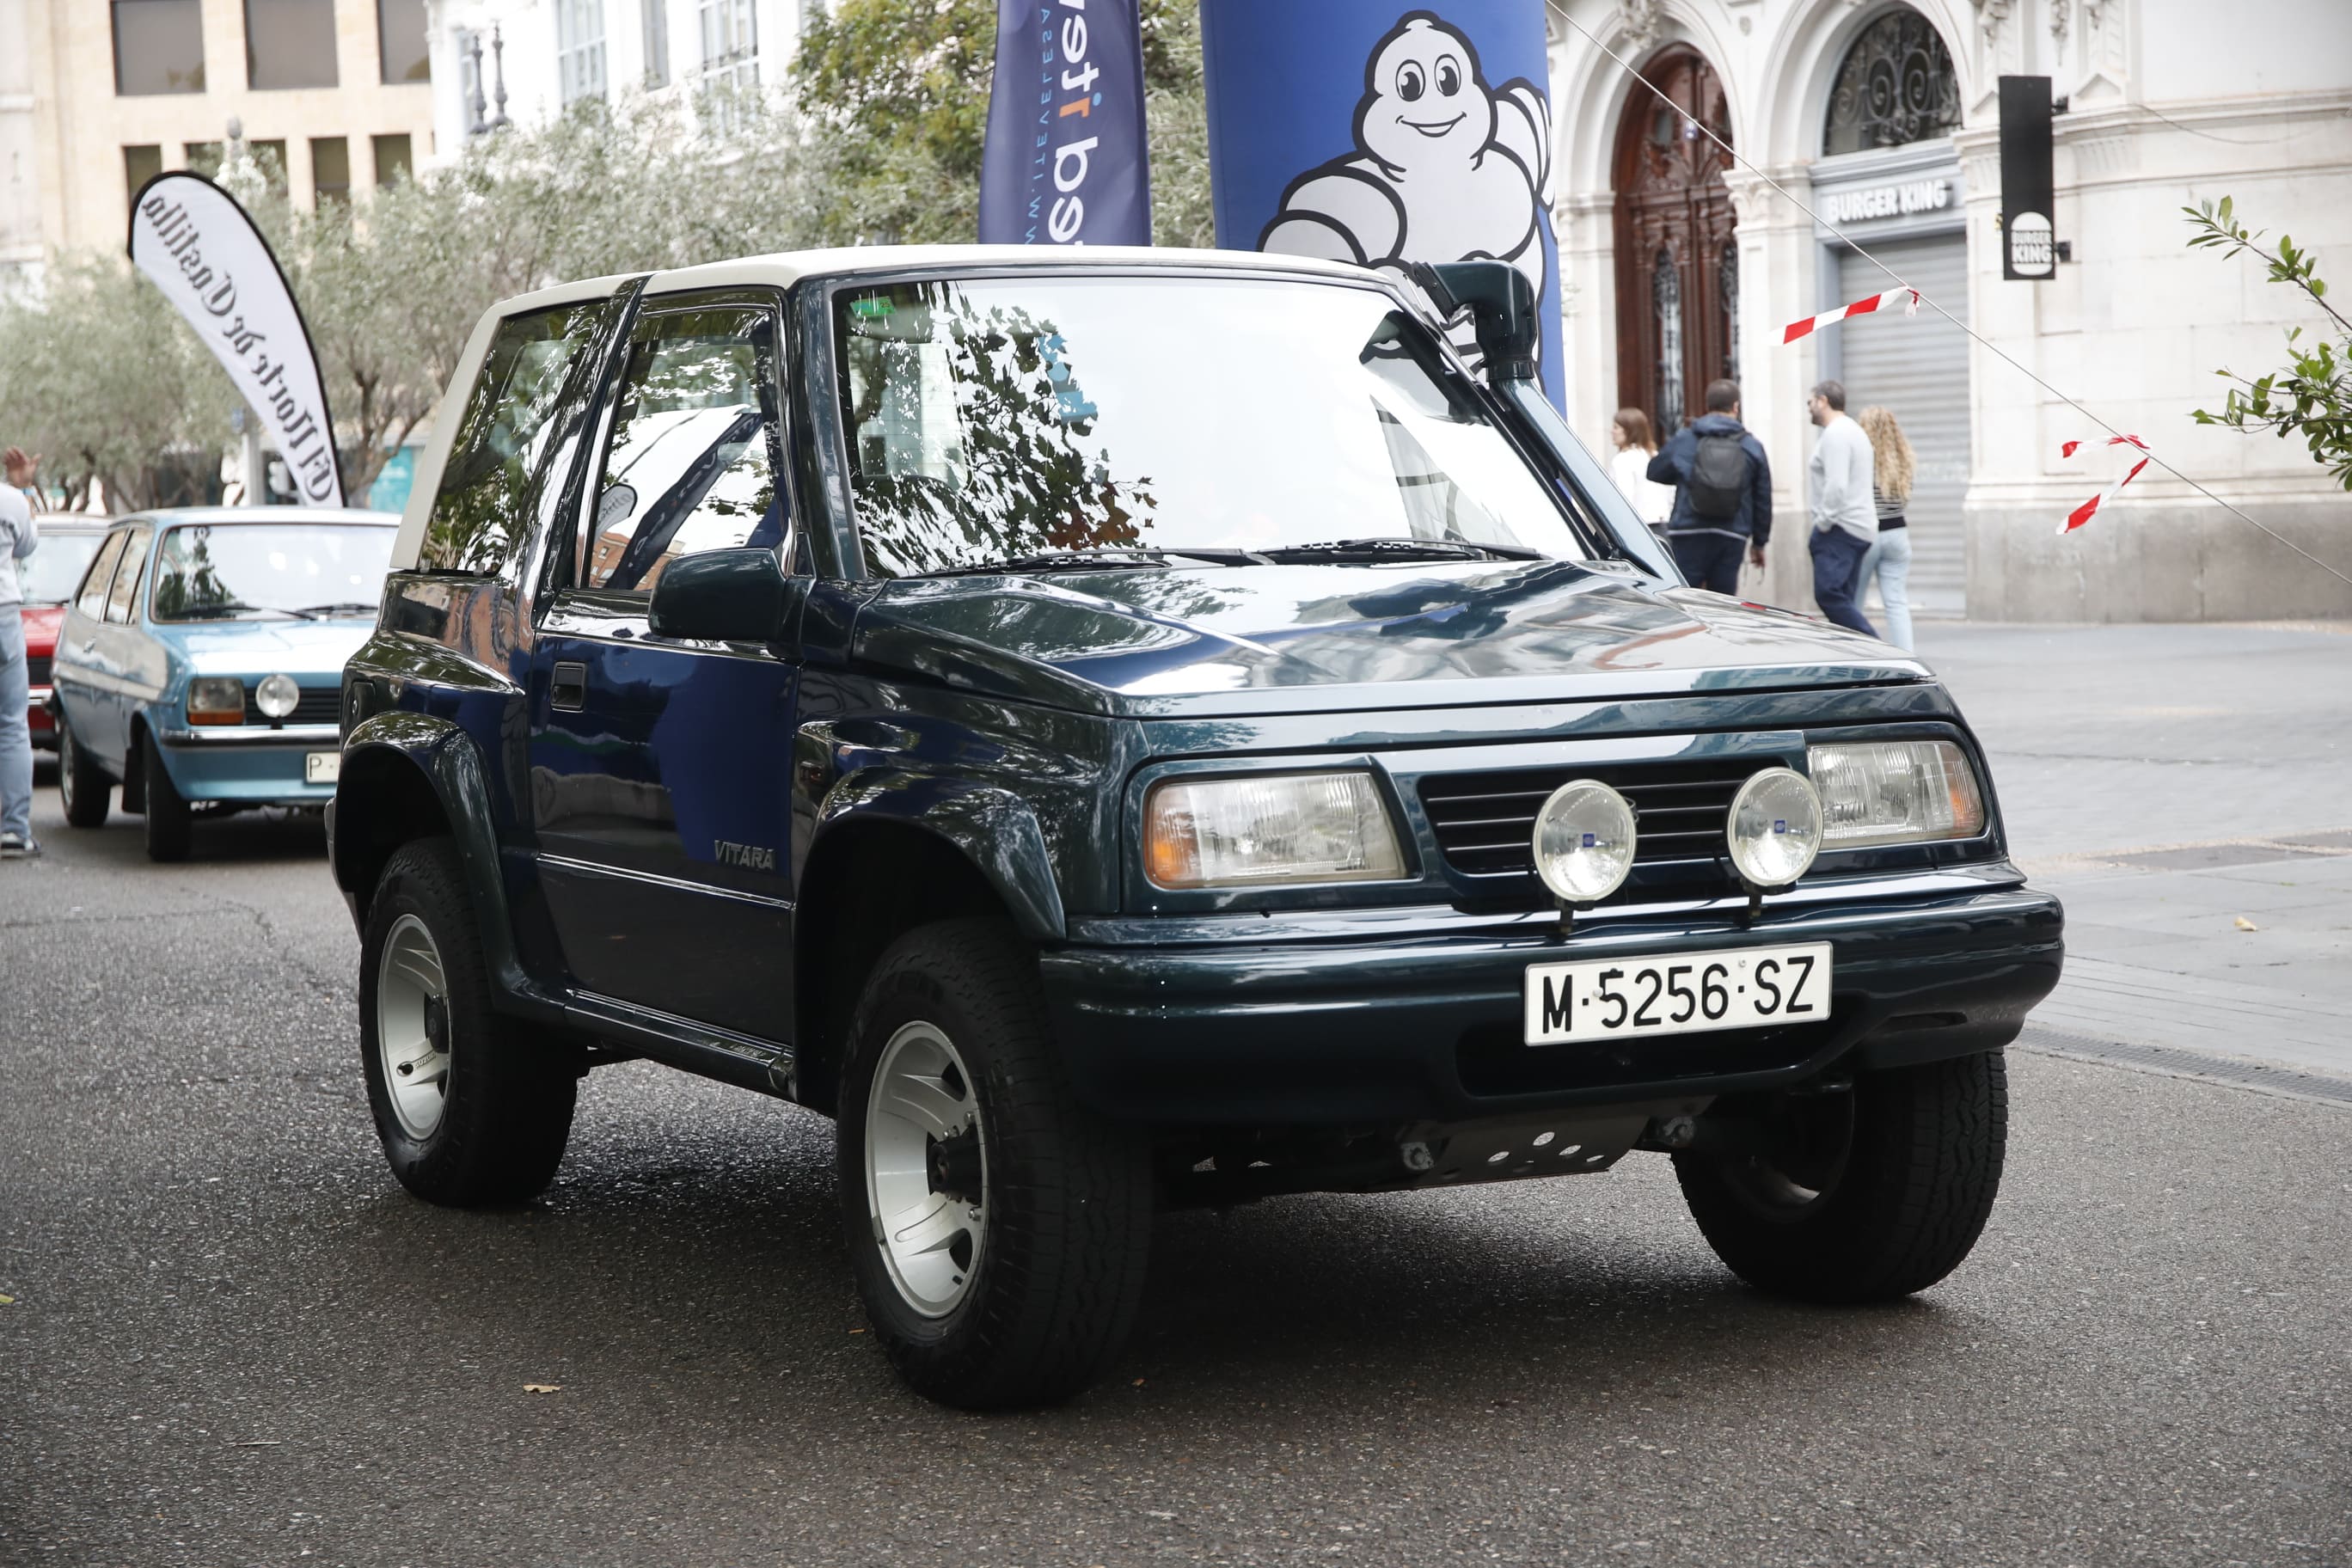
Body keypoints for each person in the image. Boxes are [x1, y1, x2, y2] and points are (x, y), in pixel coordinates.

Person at [1646, 379, 1772, 593]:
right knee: (1723, 602)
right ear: (1735, 407)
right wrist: (1759, 542)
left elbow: (1655, 471)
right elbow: (1763, 497)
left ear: (1707, 405)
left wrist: (1686, 478)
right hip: (1732, 533)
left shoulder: (1686, 439)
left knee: (1687, 598)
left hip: (1688, 530)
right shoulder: (1751, 445)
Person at [1804, 381, 1878, 637]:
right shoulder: (1852, 430)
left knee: (1828, 594)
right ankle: (1856, 658)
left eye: (1810, 402)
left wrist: (1823, 524)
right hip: (1857, 526)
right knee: (1843, 599)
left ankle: (1876, 649)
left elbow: (1836, 485)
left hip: (1841, 528)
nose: (1809, 408)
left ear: (1823, 401)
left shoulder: (1836, 434)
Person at [0, 446, 40, 858]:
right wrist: (23, 487)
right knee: (11, 724)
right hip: (3, 614)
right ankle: (14, 830)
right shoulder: (10, 501)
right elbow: (27, 547)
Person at [1853, 405, 1915, 651]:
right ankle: (1908, 655)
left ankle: (1856, 653)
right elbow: (1906, 498)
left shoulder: (1861, 456)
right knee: (1897, 602)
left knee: (1854, 602)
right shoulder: (1903, 458)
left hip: (1867, 533)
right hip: (1898, 533)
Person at [1608, 407, 1676, 540]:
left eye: (1616, 427)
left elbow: (1624, 499)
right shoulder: (1655, 456)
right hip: (1664, 527)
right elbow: (1671, 493)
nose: (1612, 432)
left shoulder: (1622, 460)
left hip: (1637, 530)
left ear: (1629, 431)